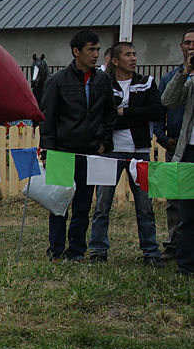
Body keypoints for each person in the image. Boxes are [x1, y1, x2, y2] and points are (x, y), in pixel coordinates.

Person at [40, 29, 115, 261]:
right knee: (59, 204)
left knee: (82, 205)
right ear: (76, 51)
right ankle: (56, 249)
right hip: (61, 151)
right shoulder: (57, 80)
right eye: (91, 49)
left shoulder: (103, 79)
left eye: (98, 50)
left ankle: (77, 251)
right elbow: (47, 118)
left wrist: (104, 142)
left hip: (90, 152)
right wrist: (48, 150)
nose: (95, 54)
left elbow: (109, 114)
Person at [88, 42, 164, 267]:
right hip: (110, 151)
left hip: (140, 151)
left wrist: (124, 112)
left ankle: (151, 252)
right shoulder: (103, 83)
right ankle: (98, 250)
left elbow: (156, 111)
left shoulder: (147, 82)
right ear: (114, 60)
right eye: (128, 54)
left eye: (134, 54)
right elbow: (103, 115)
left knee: (145, 205)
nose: (133, 58)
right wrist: (125, 116)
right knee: (102, 204)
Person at [155, 28, 194, 260]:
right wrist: (186, 72)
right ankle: (179, 251)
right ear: (181, 47)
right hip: (183, 148)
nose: (191, 47)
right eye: (187, 43)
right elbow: (167, 102)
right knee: (180, 204)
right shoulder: (175, 76)